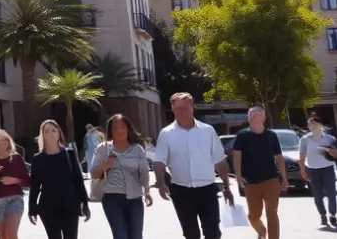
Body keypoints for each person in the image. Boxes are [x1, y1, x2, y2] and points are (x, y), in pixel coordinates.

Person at [153, 92, 233, 239]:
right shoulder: (166, 133)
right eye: (177, 108)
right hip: (181, 191)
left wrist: (227, 185)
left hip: (207, 190)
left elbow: (220, 161)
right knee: (190, 234)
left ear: (192, 108)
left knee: (212, 231)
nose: (181, 112)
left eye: (185, 108)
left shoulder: (207, 131)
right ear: (172, 110)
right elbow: (159, 161)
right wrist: (160, 181)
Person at [91, 114, 153, 239]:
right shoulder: (103, 148)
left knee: (136, 236)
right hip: (112, 199)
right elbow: (93, 173)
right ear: (110, 130)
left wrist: (147, 190)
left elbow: (144, 172)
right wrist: (105, 165)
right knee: (120, 235)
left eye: (122, 127)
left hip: (135, 199)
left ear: (128, 129)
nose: (119, 131)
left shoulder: (137, 149)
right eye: (115, 128)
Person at [231, 105, 286, 239]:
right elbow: (237, 157)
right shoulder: (242, 136)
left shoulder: (271, 136)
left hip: (271, 179)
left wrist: (284, 177)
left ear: (264, 118)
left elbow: (279, 157)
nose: (255, 116)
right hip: (251, 181)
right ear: (248, 118)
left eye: (258, 113)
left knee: (272, 212)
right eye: (252, 114)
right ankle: (261, 231)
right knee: (253, 215)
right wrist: (238, 176)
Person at [28, 120, 89, 239]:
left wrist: (85, 203)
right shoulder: (38, 159)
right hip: (48, 207)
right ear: (42, 135)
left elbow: (78, 180)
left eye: (53, 131)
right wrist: (32, 209)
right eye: (46, 131)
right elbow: (34, 185)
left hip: (70, 205)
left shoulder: (69, 154)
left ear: (59, 134)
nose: (50, 134)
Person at [299, 115, 337, 227]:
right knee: (317, 195)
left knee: (331, 193)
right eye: (309, 124)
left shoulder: (329, 138)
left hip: (327, 168)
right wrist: (302, 168)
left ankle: (332, 215)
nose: (311, 126)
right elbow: (302, 154)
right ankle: (323, 215)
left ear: (320, 125)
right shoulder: (305, 139)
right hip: (313, 169)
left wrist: (329, 150)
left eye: (313, 124)